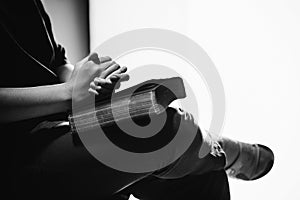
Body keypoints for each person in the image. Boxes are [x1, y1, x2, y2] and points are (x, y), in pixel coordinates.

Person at [0, 1, 274, 199]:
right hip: (15, 157)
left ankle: (209, 149)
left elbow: (57, 63)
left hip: (60, 127)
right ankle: (219, 148)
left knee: (202, 176)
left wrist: (89, 79)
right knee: (165, 130)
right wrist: (68, 94)